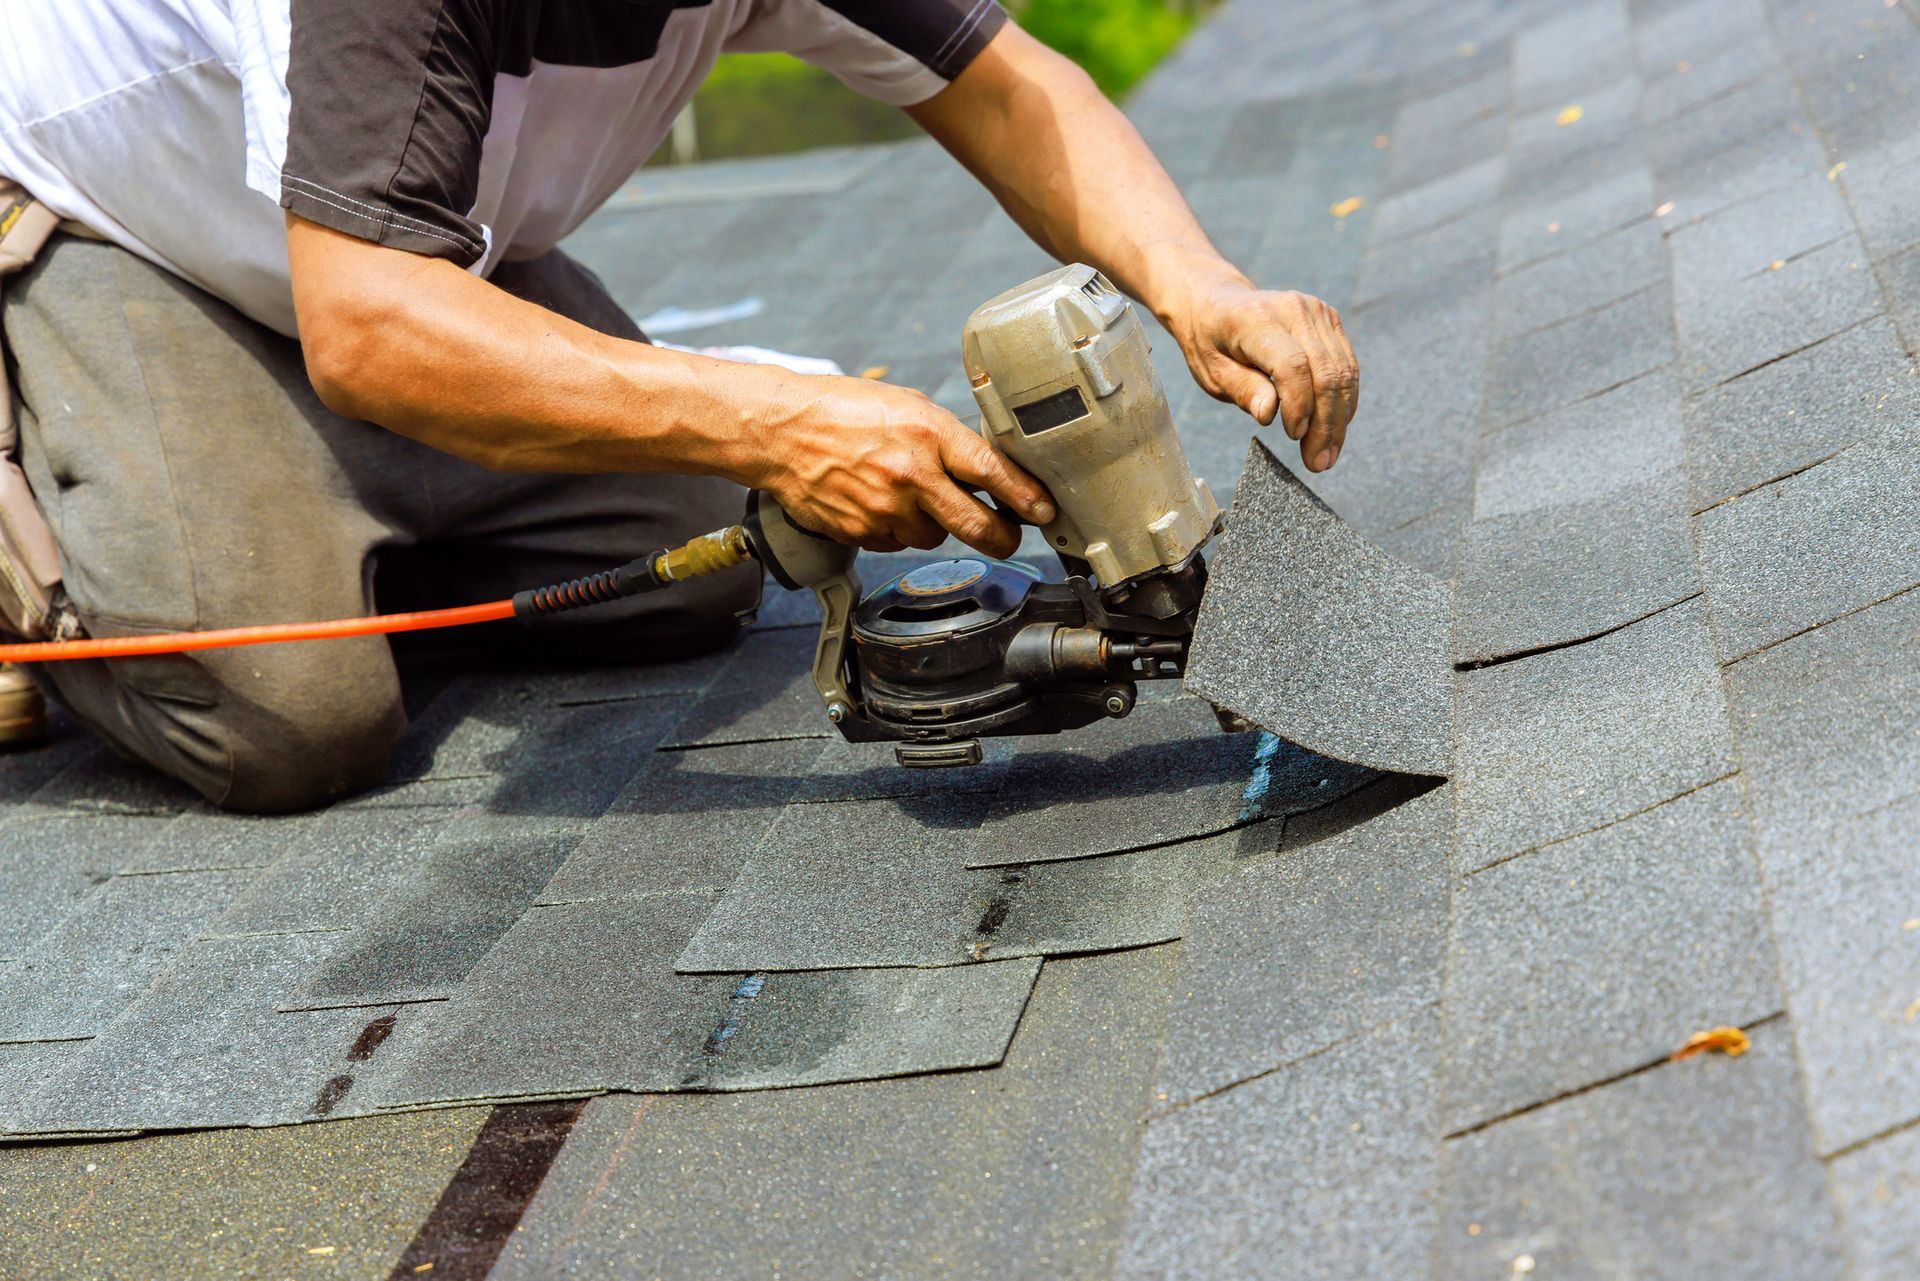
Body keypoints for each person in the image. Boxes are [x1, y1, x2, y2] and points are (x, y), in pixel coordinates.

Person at [0, 1, 1358, 812]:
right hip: (102, 226)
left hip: (372, 247)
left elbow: (1006, 89)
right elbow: (364, 327)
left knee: (705, 549)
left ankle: (316, 504)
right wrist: (777, 420)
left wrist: (1200, 288)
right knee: (290, 712)